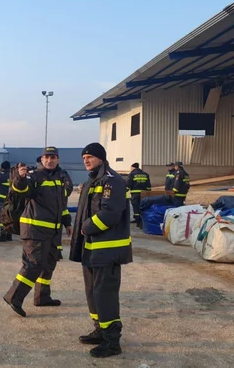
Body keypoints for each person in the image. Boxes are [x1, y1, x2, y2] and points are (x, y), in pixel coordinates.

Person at [70, 143, 132, 358]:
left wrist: (85, 227)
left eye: (90, 156)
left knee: (105, 295)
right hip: (92, 250)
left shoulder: (111, 181)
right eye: (84, 157)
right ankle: (100, 329)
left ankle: (112, 341)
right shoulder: (92, 180)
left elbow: (110, 214)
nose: (86, 160)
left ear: (101, 158)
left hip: (107, 250)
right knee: (93, 293)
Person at [3, 147, 71, 316]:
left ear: (58, 159)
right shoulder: (34, 176)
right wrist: (19, 177)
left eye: (53, 157)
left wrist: (67, 223)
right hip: (35, 229)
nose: (50, 160)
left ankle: (42, 297)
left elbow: (61, 205)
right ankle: (14, 297)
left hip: (52, 230)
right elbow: (21, 189)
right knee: (33, 264)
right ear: (42, 159)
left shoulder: (59, 178)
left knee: (49, 263)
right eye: (47, 157)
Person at [125, 163, 151, 228]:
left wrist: (124, 191)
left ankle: (138, 222)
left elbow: (128, 185)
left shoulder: (132, 174)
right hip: (144, 194)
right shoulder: (145, 174)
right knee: (143, 207)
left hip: (135, 194)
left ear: (133, 167)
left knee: (136, 209)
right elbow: (148, 186)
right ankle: (143, 221)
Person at [0, 161, 12, 242]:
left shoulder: (1, 175)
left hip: (1, 200)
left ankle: (3, 235)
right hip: (11, 201)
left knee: (1, 218)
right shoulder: (13, 175)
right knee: (9, 217)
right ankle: (9, 235)